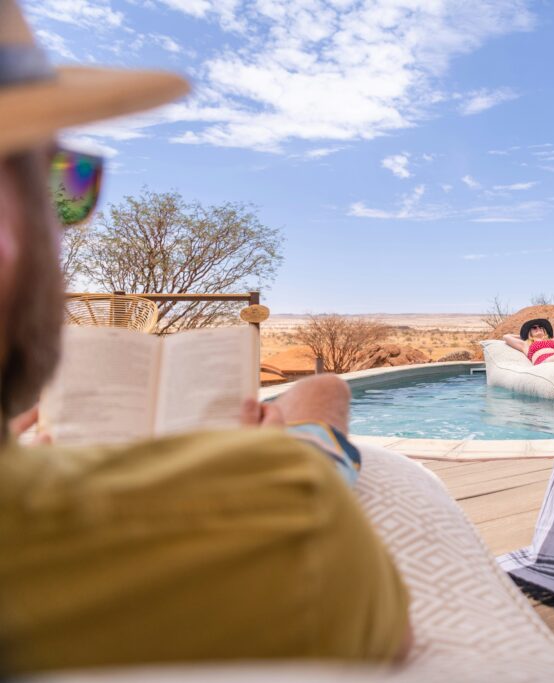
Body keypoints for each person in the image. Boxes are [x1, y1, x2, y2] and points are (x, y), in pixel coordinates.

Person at [0, 0, 410, 675]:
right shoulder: (290, 517)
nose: (70, 225)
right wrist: (288, 453)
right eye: (62, 181)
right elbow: (376, 614)